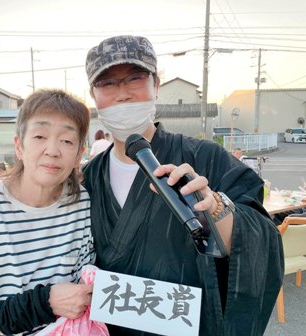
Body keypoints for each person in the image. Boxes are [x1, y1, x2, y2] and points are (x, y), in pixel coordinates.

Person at [82, 35, 283, 335]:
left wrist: (213, 207)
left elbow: (260, 242)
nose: (122, 94)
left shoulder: (205, 158)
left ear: (156, 85)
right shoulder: (85, 179)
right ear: (93, 95)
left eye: (135, 78)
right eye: (107, 83)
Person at [0, 89, 95, 336]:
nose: (53, 150)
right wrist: (44, 303)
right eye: (40, 136)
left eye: (66, 141)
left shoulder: (82, 204)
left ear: (79, 155)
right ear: (19, 147)